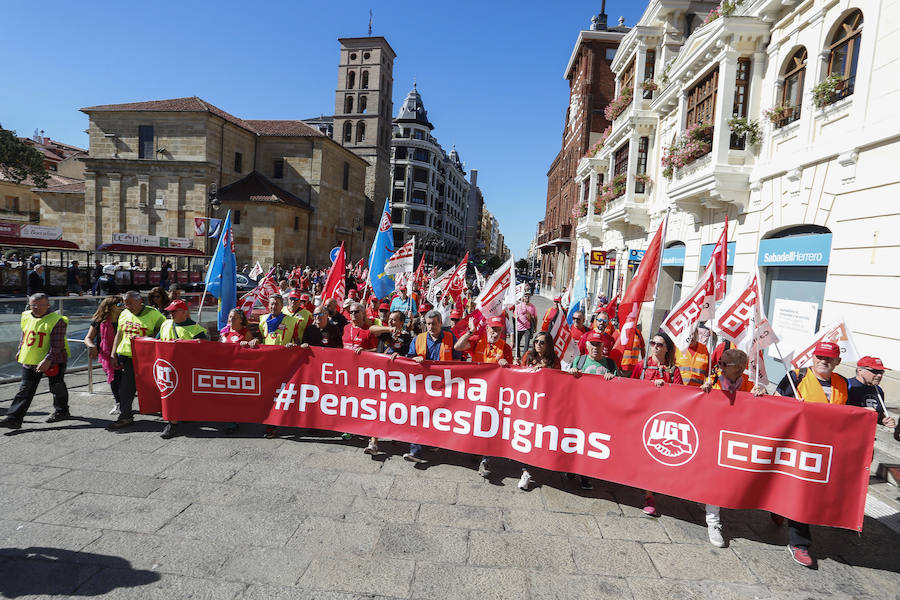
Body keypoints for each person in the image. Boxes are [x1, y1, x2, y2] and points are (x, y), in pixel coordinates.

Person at [773, 341, 847, 568]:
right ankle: (800, 544)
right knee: (800, 490)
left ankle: (778, 507)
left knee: (804, 491)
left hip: (825, 449)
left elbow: (850, 415)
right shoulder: (796, 377)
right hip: (797, 445)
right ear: (812, 357)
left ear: (837, 362)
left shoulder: (843, 384)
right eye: (819, 357)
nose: (823, 361)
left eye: (828, 358)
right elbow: (774, 404)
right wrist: (793, 407)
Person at [699, 348, 765, 548]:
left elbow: (766, 407)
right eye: (720, 362)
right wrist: (703, 391)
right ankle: (713, 522)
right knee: (714, 479)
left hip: (736, 439)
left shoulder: (749, 384)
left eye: (725, 364)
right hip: (712, 436)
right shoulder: (713, 380)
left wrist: (761, 394)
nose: (720, 366)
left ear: (740, 369)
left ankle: (708, 504)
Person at [455, 316, 519, 484]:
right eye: (492, 328)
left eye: (498, 329)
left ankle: (486, 460)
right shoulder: (478, 340)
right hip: (476, 391)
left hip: (493, 393)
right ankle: (476, 449)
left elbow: (511, 372)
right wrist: (470, 331)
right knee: (476, 423)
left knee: (489, 425)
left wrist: (507, 364)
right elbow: (458, 346)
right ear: (487, 328)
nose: (495, 332)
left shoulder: (505, 347)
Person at [0, 293, 71, 429]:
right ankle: (13, 418)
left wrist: (48, 360)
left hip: (54, 359)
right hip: (31, 358)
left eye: (40, 305)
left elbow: (57, 344)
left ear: (48, 305)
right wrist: (21, 349)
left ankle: (62, 411)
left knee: (56, 387)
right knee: (25, 389)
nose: (36, 308)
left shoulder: (57, 320)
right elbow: (25, 333)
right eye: (33, 305)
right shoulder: (26, 315)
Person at [631, 331, 683, 516]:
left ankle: (649, 495)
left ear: (667, 348)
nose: (655, 347)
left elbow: (680, 395)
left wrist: (666, 388)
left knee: (654, 457)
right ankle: (647, 490)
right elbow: (630, 389)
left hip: (662, 421)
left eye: (660, 344)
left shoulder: (674, 370)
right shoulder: (641, 366)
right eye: (653, 343)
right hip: (642, 418)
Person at [404, 309, 461, 463]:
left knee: (438, 417)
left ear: (441, 324)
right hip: (423, 386)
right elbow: (409, 359)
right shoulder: (418, 339)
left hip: (444, 386)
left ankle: (434, 441)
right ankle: (415, 451)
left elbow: (458, 361)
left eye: (433, 324)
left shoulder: (451, 338)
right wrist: (414, 359)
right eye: (428, 324)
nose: (430, 327)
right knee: (421, 415)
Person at [107, 291, 166, 430]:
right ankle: (125, 416)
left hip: (147, 356)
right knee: (126, 388)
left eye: (130, 304)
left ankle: (168, 411)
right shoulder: (124, 313)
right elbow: (119, 333)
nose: (127, 306)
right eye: (125, 304)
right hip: (127, 356)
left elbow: (165, 329)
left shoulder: (154, 314)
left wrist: (150, 337)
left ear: (140, 301)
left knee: (155, 386)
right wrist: (113, 353)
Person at [566, 330, 617, 491]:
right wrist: (571, 373)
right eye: (592, 344)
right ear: (587, 345)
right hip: (579, 410)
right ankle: (571, 468)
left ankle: (586, 476)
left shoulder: (610, 365)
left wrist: (612, 379)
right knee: (576, 441)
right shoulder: (579, 361)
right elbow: (567, 384)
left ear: (604, 346)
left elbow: (619, 389)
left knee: (590, 444)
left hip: (599, 413)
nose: (595, 347)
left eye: (598, 344)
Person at [157, 299, 209, 439]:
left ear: (185, 313)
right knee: (171, 395)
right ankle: (172, 424)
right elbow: (156, 342)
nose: (171, 314)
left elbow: (206, 349)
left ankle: (179, 419)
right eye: (170, 311)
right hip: (168, 369)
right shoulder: (166, 324)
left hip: (186, 370)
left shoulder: (196, 329)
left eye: (174, 311)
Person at [84, 296, 124, 416]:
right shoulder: (99, 320)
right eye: (119, 305)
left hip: (124, 352)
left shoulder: (125, 317)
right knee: (114, 381)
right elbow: (88, 338)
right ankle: (118, 403)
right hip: (107, 355)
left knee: (125, 382)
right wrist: (92, 347)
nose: (122, 307)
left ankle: (125, 404)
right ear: (110, 307)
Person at [848, 356, 896, 429]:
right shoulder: (847, 386)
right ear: (860, 370)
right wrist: (862, 410)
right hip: (849, 432)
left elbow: (879, 414)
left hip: (869, 435)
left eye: (881, 372)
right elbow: (839, 411)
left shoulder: (878, 390)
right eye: (875, 371)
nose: (880, 375)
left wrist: (884, 420)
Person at [515, 291, 538, 357]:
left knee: (527, 343)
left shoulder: (532, 307)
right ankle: (518, 356)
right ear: (523, 297)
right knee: (517, 344)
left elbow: (535, 317)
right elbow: (514, 316)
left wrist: (535, 327)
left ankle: (524, 357)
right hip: (519, 327)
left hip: (528, 328)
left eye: (528, 296)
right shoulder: (518, 306)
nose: (527, 297)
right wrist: (516, 316)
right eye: (525, 296)